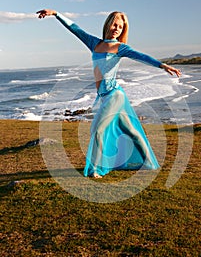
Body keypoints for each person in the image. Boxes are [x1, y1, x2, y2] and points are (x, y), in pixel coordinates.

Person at [36, 9, 181, 178]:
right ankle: (148, 161)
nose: (116, 28)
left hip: (115, 95)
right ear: (108, 24)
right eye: (114, 24)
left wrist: (162, 65)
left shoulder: (120, 48)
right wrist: (56, 14)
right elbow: (74, 28)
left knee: (98, 130)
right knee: (131, 131)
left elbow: (141, 56)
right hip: (104, 97)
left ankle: (96, 169)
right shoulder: (94, 43)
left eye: (120, 27)